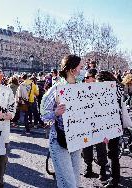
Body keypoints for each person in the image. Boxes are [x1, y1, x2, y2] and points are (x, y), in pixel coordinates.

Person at [41, 54, 84, 188]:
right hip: (59, 141)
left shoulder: (83, 88)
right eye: (80, 67)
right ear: (72, 70)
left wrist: (101, 134)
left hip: (76, 140)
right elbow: (43, 115)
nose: (82, 70)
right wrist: (55, 113)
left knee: (75, 183)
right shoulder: (56, 89)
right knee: (68, 184)